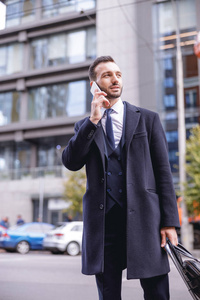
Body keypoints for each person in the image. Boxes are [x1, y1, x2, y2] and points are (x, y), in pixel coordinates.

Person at [62, 56, 180, 300]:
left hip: (146, 220)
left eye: (118, 74)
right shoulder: (85, 126)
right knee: (108, 294)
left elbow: (163, 173)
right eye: (107, 75)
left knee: (157, 292)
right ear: (94, 85)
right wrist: (93, 120)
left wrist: (170, 222)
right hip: (104, 224)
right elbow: (71, 162)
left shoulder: (147, 119)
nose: (115, 79)